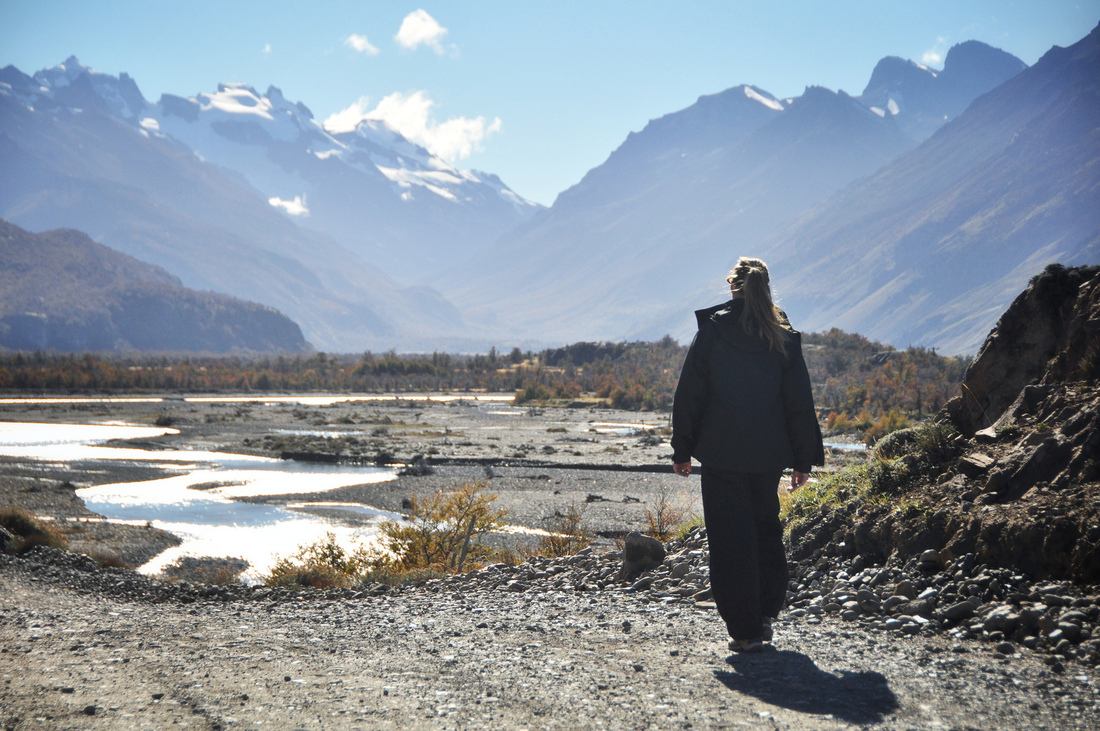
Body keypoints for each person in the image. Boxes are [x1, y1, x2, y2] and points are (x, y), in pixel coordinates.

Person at [671, 256, 824, 653]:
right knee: (765, 530)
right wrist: (803, 459)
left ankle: (744, 630)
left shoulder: (715, 330)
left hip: (721, 454)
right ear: (766, 287)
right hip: (768, 455)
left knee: (730, 538)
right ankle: (765, 613)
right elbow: (798, 402)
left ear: (732, 286)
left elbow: (690, 394)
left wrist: (682, 448)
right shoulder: (782, 335)